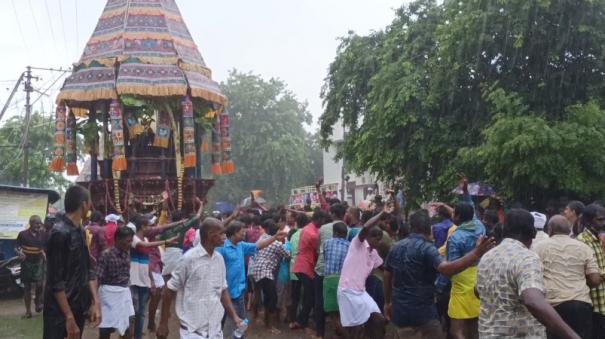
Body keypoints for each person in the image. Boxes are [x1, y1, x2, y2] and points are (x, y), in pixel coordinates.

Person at [384, 210, 494, 339]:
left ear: (411, 227)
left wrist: (387, 302)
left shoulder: (396, 247)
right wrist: (475, 254)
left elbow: (387, 274)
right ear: (428, 229)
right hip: (424, 315)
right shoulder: (426, 248)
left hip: (400, 313)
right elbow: (446, 269)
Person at [477, 208, 581, 339]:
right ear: (533, 233)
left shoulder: (487, 257)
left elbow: (478, 291)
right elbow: (533, 301)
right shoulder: (527, 258)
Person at [157, 217, 242, 339]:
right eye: (221, 233)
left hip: (215, 330)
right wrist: (163, 323)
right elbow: (168, 290)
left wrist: (234, 317)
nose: (225, 237)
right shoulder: (188, 259)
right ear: (210, 235)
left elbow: (223, 290)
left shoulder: (219, 259)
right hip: (192, 331)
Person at [43, 185, 101, 339]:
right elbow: (56, 281)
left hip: (78, 307)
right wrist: (68, 316)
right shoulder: (59, 233)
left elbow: (88, 269)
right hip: (59, 312)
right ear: (83, 205)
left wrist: (95, 302)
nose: (90, 206)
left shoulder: (81, 231)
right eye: (89, 202)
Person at [534, 215, 602, 339]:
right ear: (569, 229)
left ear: (550, 229)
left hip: (553, 307)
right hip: (581, 305)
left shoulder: (538, 247)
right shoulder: (584, 248)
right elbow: (595, 279)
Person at [218, 221, 286, 337]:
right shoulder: (222, 248)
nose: (244, 234)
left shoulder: (241, 245)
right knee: (221, 322)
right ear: (234, 233)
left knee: (241, 323)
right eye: (241, 232)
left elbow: (259, 245)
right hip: (225, 293)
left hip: (239, 292)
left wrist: (274, 237)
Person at [337, 205, 392, 339]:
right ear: (369, 237)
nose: (379, 243)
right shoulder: (357, 244)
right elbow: (366, 227)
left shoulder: (374, 253)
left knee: (379, 320)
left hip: (361, 293)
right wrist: (382, 213)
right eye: (377, 239)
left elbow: (385, 270)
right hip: (347, 291)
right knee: (356, 328)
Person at [129, 214, 178, 339]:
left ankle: (137, 335)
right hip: (133, 280)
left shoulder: (145, 239)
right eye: (148, 226)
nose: (150, 228)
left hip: (144, 279)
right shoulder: (134, 239)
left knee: (140, 312)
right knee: (133, 311)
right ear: (142, 227)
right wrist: (166, 241)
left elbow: (146, 262)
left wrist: (151, 280)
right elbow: (144, 247)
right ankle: (128, 334)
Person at [446, 201, 485, 339]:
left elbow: (452, 266)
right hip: (478, 277)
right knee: (475, 327)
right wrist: (465, 191)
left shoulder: (455, 237)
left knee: (456, 329)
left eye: (453, 212)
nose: (451, 214)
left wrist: (440, 285)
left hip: (461, 280)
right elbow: (471, 208)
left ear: (458, 216)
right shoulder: (479, 226)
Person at [290, 209, 329, 333]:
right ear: (319, 219)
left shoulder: (308, 228)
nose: (324, 222)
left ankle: (301, 320)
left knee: (307, 295)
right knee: (310, 296)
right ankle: (302, 321)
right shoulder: (312, 234)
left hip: (302, 264)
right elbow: (318, 251)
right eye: (323, 220)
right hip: (305, 265)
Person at [251, 218, 289, 334]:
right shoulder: (277, 244)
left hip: (255, 269)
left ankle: (255, 317)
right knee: (272, 298)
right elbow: (287, 255)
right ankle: (269, 325)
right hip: (266, 271)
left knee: (257, 294)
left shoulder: (262, 238)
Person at [96, 226, 135, 339]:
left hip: (124, 293)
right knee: (105, 329)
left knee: (129, 325)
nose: (130, 244)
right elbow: (97, 277)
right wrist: (95, 301)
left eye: (131, 241)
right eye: (128, 241)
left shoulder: (127, 253)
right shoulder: (106, 255)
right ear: (118, 239)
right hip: (108, 294)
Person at [314, 203, 346, 338]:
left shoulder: (323, 228)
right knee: (339, 304)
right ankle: (340, 330)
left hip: (322, 270)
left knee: (319, 303)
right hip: (340, 273)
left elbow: (317, 249)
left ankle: (320, 334)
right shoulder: (348, 229)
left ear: (332, 214)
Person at [576, 204, 605, 338]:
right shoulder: (582, 242)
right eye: (600, 220)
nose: (603, 223)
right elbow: (585, 275)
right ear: (588, 221)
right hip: (593, 305)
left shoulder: (599, 239)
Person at [159, 197, 203, 280]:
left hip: (166, 257)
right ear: (182, 219)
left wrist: (163, 209)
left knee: (166, 280)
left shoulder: (164, 229)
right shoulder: (182, 227)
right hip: (177, 257)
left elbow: (158, 228)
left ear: (171, 219)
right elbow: (197, 216)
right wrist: (201, 204)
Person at [15, 215, 47, 318]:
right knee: (27, 287)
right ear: (31, 223)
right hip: (26, 263)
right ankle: (28, 311)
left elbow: (45, 246)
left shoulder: (43, 234)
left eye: (40, 223)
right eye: (37, 223)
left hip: (38, 262)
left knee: (39, 284)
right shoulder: (23, 234)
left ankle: (37, 301)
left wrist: (43, 253)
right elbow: (16, 247)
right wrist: (20, 253)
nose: (39, 225)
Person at [323, 222, 350, 336]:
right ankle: (342, 332)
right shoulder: (349, 245)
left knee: (333, 312)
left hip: (330, 279)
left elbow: (325, 257)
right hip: (344, 280)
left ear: (335, 233)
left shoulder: (327, 243)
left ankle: (346, 335)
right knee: (342, 310)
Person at [288, 212, 309, 326]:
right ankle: (303, 320)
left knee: (294, 296)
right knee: (305, 295)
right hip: (306, 268)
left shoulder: (294, 235)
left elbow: (290, 252)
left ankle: (292, 319)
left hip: (294, 268)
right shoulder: (309, 233)